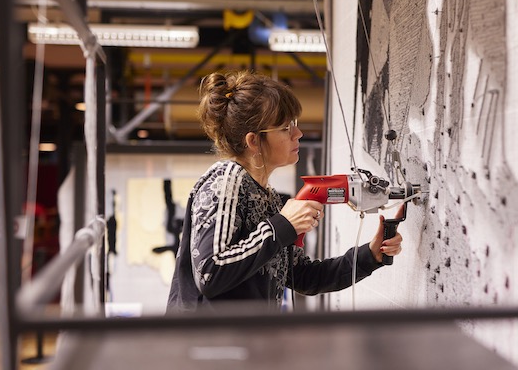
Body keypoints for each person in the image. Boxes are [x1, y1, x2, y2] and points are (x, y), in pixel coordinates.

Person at [166, 70, 403, 313]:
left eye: (294, 124)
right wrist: (281, 225)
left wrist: (370, 255)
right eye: (285, 127)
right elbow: (210, 272)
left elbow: (303, 276)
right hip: (206, 346)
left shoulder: (265, 195)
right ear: (254, 141)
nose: (297, 133)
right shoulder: (227, 181)